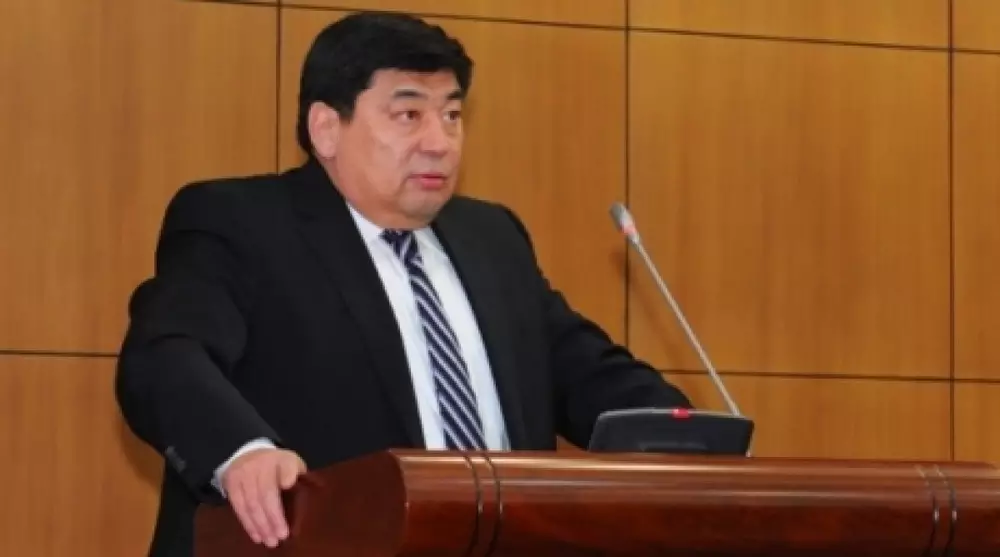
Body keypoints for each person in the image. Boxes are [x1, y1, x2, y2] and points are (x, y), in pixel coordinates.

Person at [115, 10, 692, 557]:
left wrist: (695, 439)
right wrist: (242, 453)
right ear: (326, 128)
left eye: (452, 115)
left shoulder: (493, 238)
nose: (440, 142)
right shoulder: (240, 223)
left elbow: (586, 374)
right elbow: (165, 357)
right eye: (409, 114)